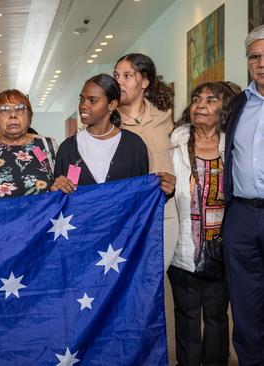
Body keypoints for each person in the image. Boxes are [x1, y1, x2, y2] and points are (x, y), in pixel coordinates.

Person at [168, 82, 237, 366]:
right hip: (184, 245)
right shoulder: (175, 145)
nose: (201, 104)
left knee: (218, 318)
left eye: (211, 99)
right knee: (186, 318)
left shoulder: (232, 145)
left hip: (223, 247)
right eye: (197, 99)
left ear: (225, 108)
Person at [223, 25, 264, 364]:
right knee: (246, 301)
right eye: (255, 57)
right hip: (241, 217)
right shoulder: (239, 104)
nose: (262, 63)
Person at [113, 53, 178, 268]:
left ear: (145, 81)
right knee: (131, 277)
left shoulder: (163, 115)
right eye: (116, 75)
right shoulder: (109, 121)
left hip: (165, 209)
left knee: (157, 276)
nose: (119, 81)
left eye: (127, 75)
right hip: (129, 212)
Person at [50, 74, 148, 193]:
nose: (83, 106)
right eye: (82, 100)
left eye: (93, 100)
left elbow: (143, 194)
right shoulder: (68, 149)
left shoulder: (133, 145)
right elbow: (59, 200)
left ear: (112, 105)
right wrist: (57, 187)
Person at [0, 89, 57, 199]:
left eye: (19, 109)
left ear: (29, 117)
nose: (12, 115)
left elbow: (65, 183)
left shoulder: (48, 146)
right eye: (4, 110)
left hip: (42, 215)